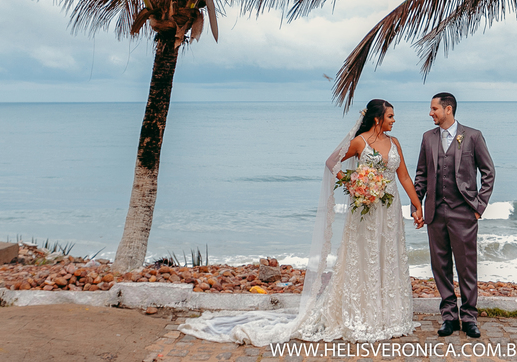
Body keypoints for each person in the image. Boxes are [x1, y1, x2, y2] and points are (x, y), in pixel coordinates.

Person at [180, 99, 422, 345]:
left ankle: (389, 315)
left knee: (388, 256)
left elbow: (403, 176)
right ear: (377, 118)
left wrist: (417, 205)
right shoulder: (360, 142)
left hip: (389, 209)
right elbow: (332, 162)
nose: (394, 120)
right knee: (365, 257)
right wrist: (353, 184)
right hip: (367, 210)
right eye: (390, 116)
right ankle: (364, 315)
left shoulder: (394, 143)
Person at [414, 92, 495, 339]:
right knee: (440, 266)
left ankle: (469, 317)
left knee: (466, 266)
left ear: (448, 109)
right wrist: (417, 207)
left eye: (434, 109)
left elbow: (488, 172)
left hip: (464, 212)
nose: (430, 113)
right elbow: (420, 175)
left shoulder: (473, 136)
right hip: (435, 212)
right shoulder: (428, 138)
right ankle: (449, 316)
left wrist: (479, 206)